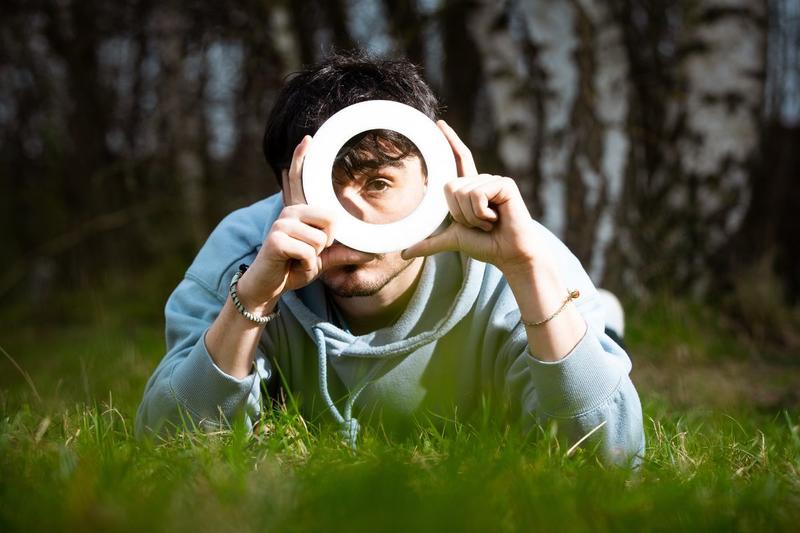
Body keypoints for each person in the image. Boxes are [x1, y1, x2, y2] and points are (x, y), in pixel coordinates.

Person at [135, 53, 645, 464]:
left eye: (378, 183)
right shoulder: (244, 256)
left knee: (583, 329)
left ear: (433, 179)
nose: (347, 220)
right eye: (322, 187)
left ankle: (602, 319)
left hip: (544, 298)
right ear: (286, 187)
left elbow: (613, 456)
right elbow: (165, 445)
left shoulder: (524, 255)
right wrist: (252, 301)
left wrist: (526, 273)